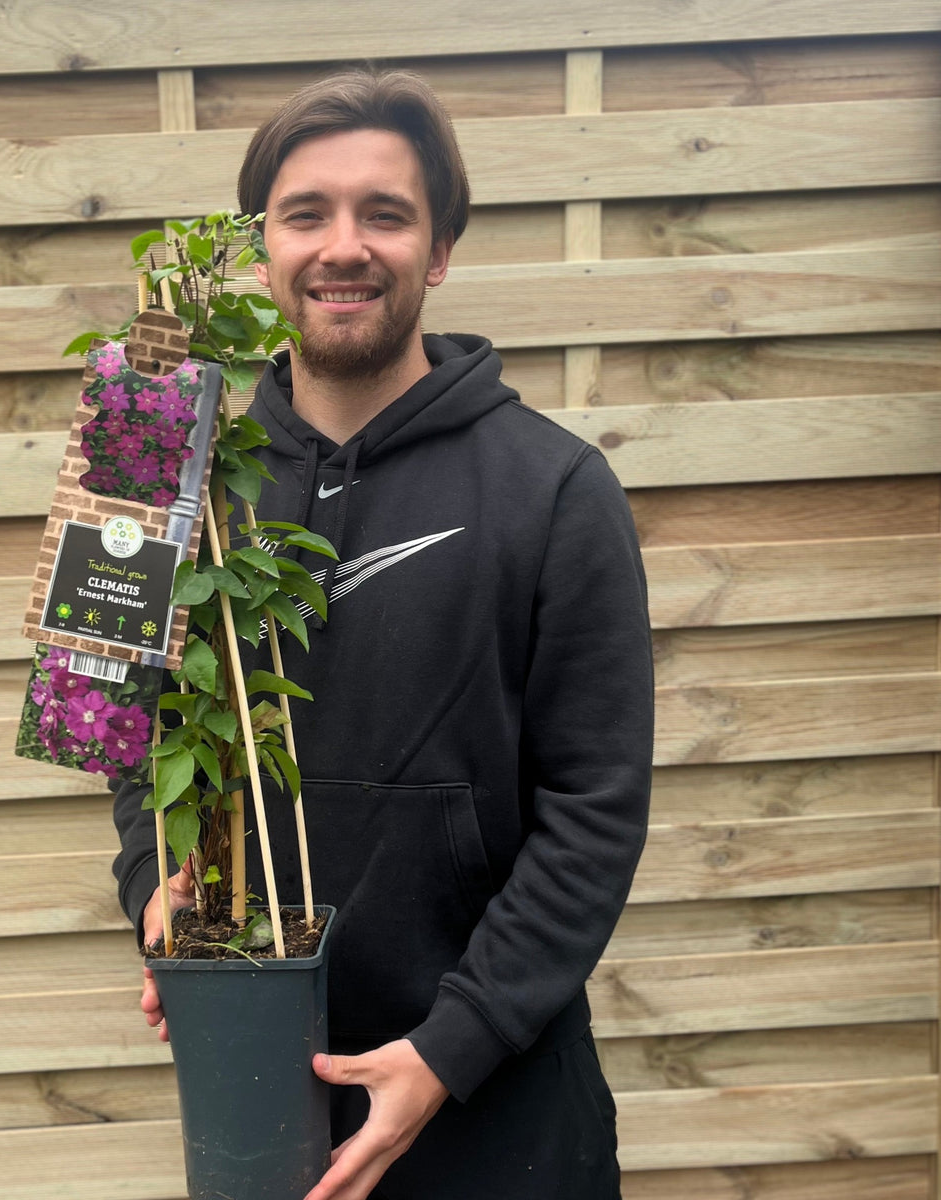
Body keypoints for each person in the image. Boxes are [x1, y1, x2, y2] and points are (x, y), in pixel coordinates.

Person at [112, 69, 654, 1200]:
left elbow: (595, 813)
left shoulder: (555, 488)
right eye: (306, 213)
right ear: (261, 248)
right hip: (261, 1092)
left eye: (387, 214)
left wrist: (449, 1049)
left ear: (441, 249)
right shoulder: (180, 480)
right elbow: (133, 737)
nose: (343, 246)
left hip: (501, 1109)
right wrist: (152, 885)